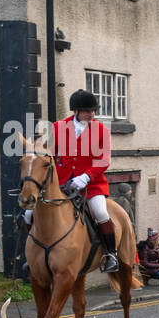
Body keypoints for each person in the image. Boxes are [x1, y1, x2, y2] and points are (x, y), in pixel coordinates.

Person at [44, 89, 118, 272]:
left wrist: (85, 177)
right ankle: (33, 256)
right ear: (75, 111)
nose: (91, 114)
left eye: (93, 110)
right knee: (31, 213)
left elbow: (104, 160)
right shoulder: (57, 127)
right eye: (87, 111)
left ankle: (111, 254)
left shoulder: (102, 130)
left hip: (91, 185)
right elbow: (49, 155)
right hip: (61, 184)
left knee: (100, 212)